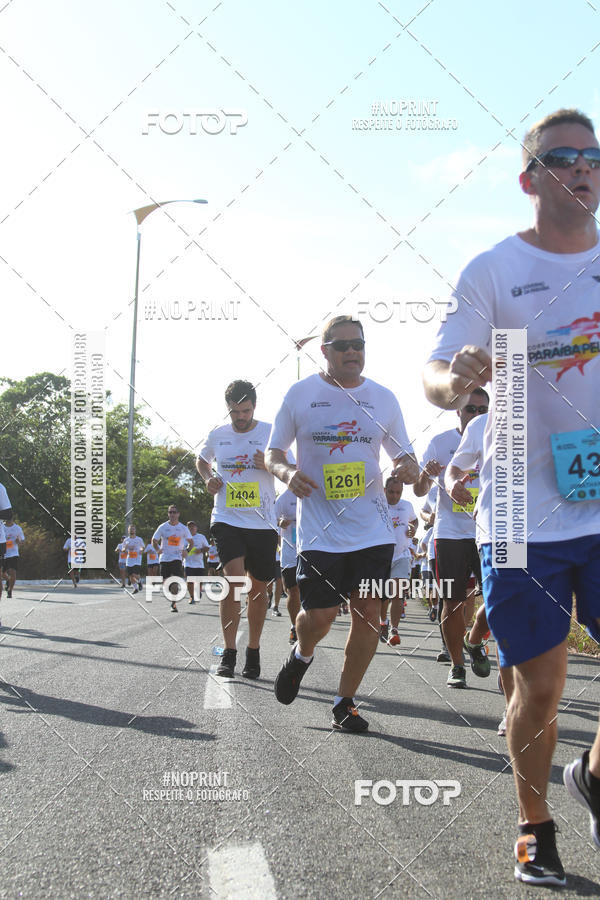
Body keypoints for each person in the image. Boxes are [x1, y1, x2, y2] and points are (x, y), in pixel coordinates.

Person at [423, 109, 600, 885]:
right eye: (565, 157)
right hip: (522, 512)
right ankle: (535, 825)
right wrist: (455, 375)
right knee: (542, 685)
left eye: (595, 156)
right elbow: (434, 373)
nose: (585, 168)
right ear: (532, 179)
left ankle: (590, 773)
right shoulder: (493, 270)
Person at [266, 315, 418, 732]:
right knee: (321, 617)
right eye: (343, 345)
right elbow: (273, 453)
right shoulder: (300, 395)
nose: (353, 352)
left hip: (373, 531)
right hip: (320, 531)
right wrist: (286, 474)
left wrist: (407, 467)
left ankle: (344, 702)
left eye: (359, 344)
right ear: (325, 351)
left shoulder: (383, 398)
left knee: (369, 614)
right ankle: (302, 655)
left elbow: (405, 454)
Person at [197, 380, 278, 679]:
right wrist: (208, 478)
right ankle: (229, 652)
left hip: (263, 520)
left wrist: (270, 463)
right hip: (227, 516)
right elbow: (202, 460)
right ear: (227, 409)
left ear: (254, 406)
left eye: (245, 411)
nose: (240, 417)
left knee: (258, 589)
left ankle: (253, 650)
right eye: (235, 412)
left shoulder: (271, 431)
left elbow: (290, 465)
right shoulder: (218, 435)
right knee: (232, 581)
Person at [414, 389, 489, 688]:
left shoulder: (503, 435)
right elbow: (420, 492)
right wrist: (425, 475)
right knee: (453, 601)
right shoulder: (440, 442)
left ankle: (473, 640)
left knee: (508, 594)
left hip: (493, 530)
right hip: (450, 533)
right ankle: (457, 665)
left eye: (483, 410)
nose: (477, 415)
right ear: (458, 410)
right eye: (471, 409)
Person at [381, 477, 417, 645]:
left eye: (398, 492)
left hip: (401, 555)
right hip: (381, 555)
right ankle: (383, 622)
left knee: (397, 593)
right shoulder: (376, 504)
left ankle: (394, 629)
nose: (395, 496)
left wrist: (413, 528)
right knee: (382, 595)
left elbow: (414, 520)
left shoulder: (407, 505)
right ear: (384, 490)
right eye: (391, 492)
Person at [152, 506, 193, 612]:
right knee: (165, 582)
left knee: (175, 580)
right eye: (170, 512)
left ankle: (173, 604)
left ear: (178, 514)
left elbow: (191, 542)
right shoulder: (163, 527)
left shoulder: (183, 528)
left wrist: (187, 551)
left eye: (174, 512)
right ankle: (171, 593)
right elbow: (154, 540)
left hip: (177, 557)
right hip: (164, 558)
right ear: (168, 514)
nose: (172, 514)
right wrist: (157, 549)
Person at [275, 488, 300, 644]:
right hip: (290, 553)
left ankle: (307, 624)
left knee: (310, 591)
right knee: (293, 590)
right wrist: (280, 522)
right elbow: (271, 518)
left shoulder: (314, 490)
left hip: (312, 549)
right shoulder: (283, 498)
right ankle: (295, 627)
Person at [185, 521, 209, 603]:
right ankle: (192, 597)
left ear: (196, 528)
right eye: (189, 527)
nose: (191, 528)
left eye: (193, 526)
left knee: (199, 581)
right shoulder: (184, 538)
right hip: (188, 563)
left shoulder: (201, 537)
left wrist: (201, 550)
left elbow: (207, 547)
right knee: (190, 581)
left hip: (199, 564)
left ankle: (198, 591)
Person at [3, 515, 25, 598]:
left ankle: (10, 590)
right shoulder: (1, 527)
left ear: (12, 519)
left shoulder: (17, 528)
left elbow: (22, 540)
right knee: (2, 573)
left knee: (13, 572)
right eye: (7, 518)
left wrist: (18, 541)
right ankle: (8, 580)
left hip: (13, 553)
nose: (8, 520)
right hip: (3, 553)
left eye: (10, 518)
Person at [122, 525, 146, 594]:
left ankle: (140, 582)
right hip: (129, 559)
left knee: (135, 574)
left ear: (135, 530)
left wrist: (141, 550)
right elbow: (123, 550)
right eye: (130, 529)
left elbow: (142, 547)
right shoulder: (126, 540)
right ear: (128, 531)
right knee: (130, 575)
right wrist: (125, 547)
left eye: (133, 529)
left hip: (137, 559)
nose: (132, 530)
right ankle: (135, 588)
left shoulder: (139, 539)